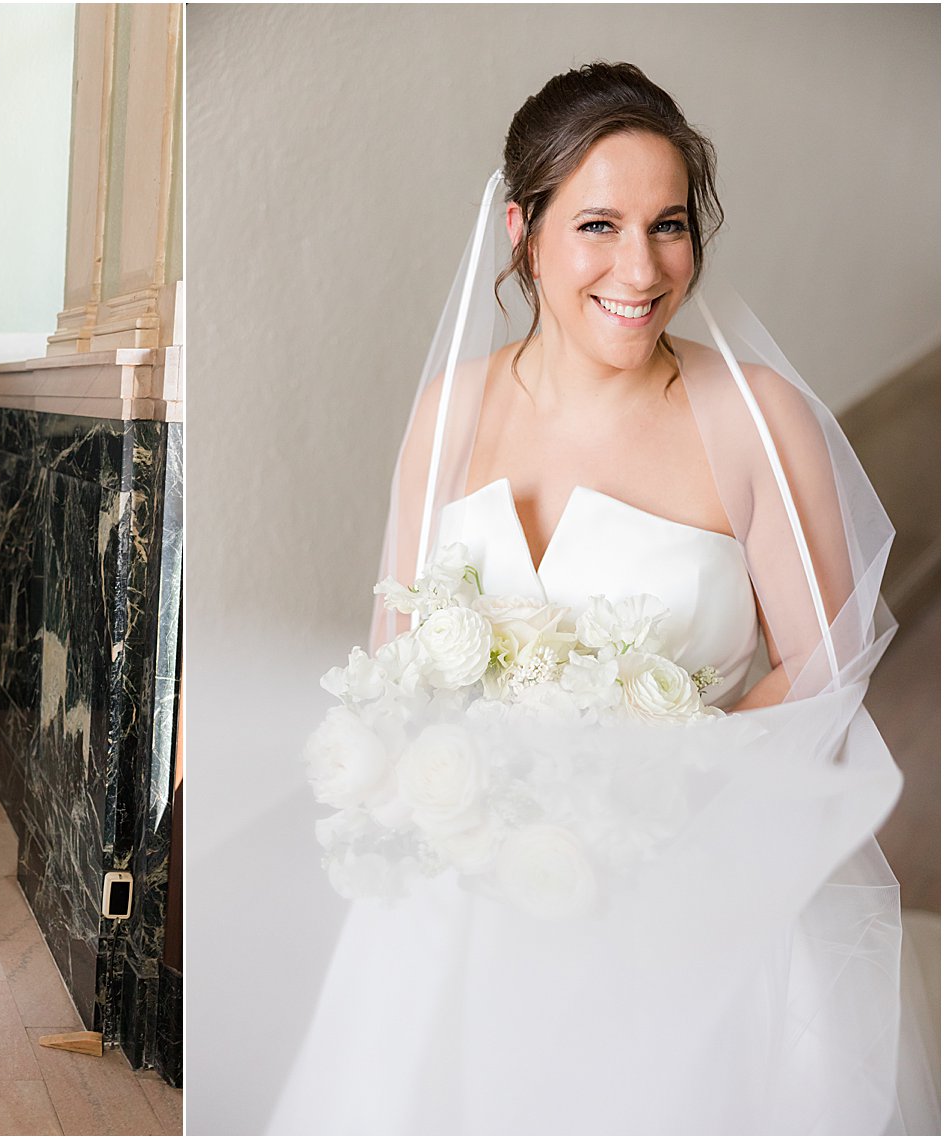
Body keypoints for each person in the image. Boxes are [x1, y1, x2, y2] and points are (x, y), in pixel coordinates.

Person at [263, 63, 934, 1134]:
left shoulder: (754, 418)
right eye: (597, 225)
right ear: (522, 230)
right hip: (468, 892)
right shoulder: (449, 410)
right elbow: (393, 656)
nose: (640, 266)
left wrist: (649, 776)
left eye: (668, 224)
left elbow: (826, 658)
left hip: (682, 882)